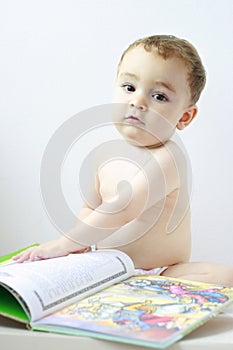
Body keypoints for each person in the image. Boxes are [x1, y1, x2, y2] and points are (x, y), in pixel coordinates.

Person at [13, 35, 233, 287]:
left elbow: (126, 206)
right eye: (129, 87)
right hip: (109, 269)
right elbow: (89, 208)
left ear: (185, 116)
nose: (137, 102)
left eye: (159, 96)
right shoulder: (102, 155)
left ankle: (153, 293)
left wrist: (65, 242)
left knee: (224, 276)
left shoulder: (169, 157)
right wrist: (76, 247)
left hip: (163, 272)